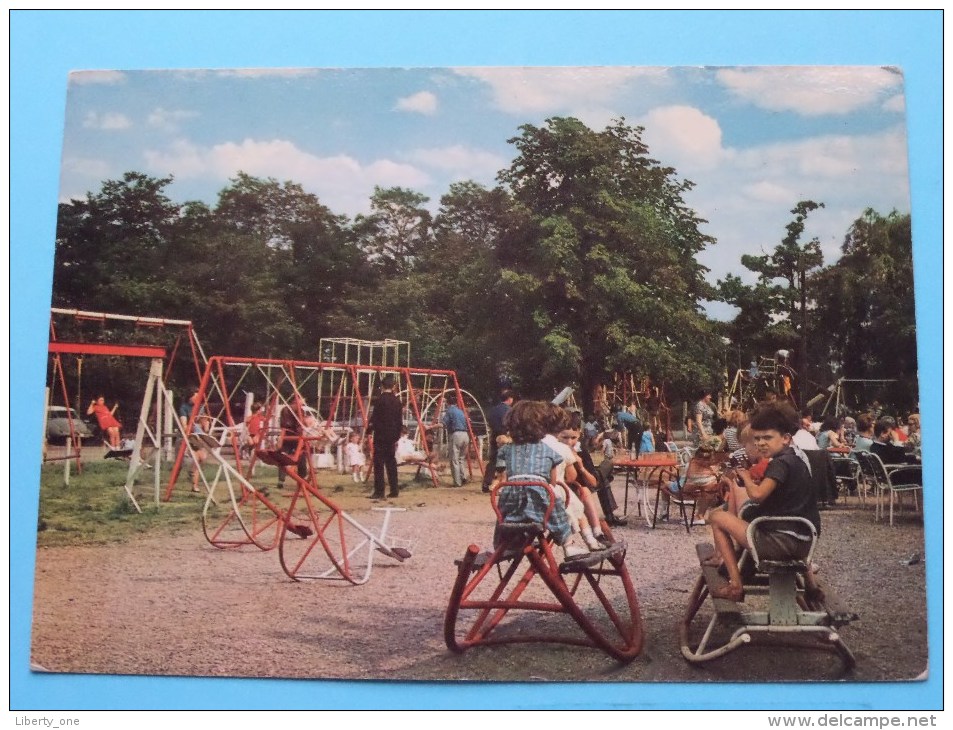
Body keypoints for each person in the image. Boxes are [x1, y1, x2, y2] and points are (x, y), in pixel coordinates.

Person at [705, 401, 822, 602]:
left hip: (779, 544)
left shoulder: (779, 464)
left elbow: (758, 495)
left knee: (717, 517)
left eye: (767, 438)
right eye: (757, 439)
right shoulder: (799, 458)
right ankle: (811, 586)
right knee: (752, 516)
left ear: (785, 438)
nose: (761, 443)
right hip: (805, 543)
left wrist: (746, 477)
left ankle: (735, 585)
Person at [493, 400, 589, 561]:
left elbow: (501, 471)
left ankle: (500, 544)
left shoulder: (507, 448)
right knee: (556, 507)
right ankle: (568, 544)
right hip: (538, 493)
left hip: (511, 494)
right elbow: (551, 481)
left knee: (502, 514)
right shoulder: (547, 449)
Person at [367, 374, 403, 499]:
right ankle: (394, 489)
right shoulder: (397, 401)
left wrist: (368, 431)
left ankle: (379, 491)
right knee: (391, 463)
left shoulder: (380, 400)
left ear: (382, 386)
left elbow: (375, 418)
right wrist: (397, 435)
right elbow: (399, 420)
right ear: (393, 386)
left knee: (379, 463)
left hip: (381, 435)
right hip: (392, 436)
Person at [482, 389, 514, 493]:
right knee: (506, 461)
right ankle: (504, 484)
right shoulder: (510, 410)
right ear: (509, 399)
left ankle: (487, 482)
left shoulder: (493, 410)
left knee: (493, 461)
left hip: (494, 437)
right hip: (506, 437)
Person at [442, 392, 471, 487]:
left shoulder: (449, 411)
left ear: (447, 403)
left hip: (456, 435)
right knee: (461, 458)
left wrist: (430, 426)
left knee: (454, 459)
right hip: (465, 435)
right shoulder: (461, 411)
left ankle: (457, 482)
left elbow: (444, 424)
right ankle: (464, 477)